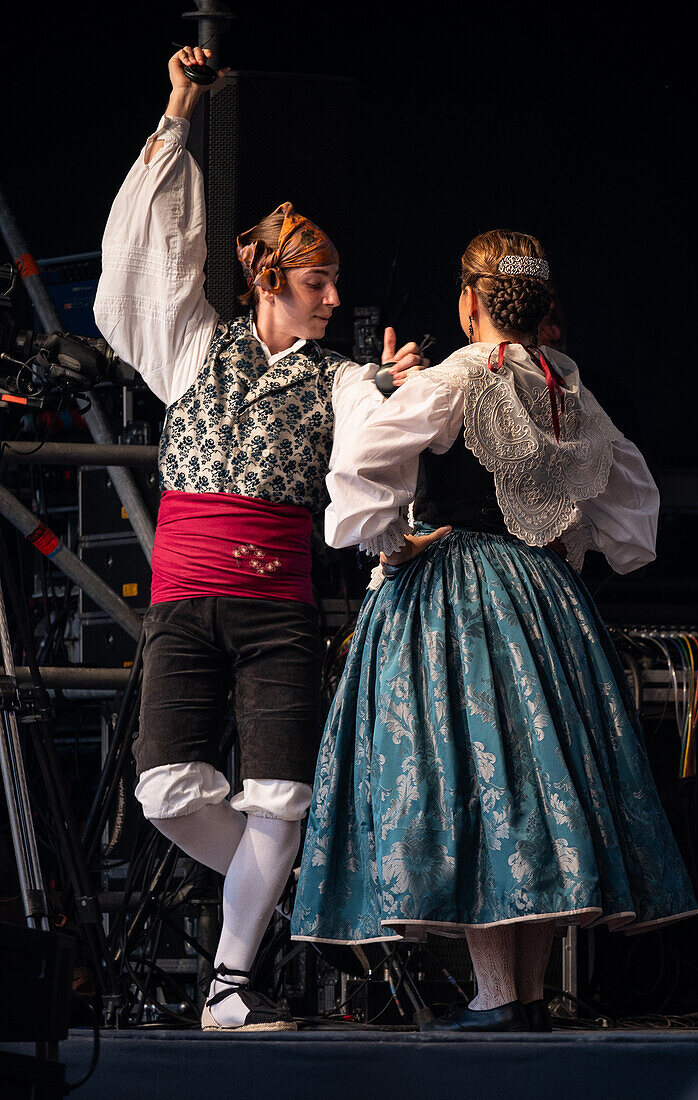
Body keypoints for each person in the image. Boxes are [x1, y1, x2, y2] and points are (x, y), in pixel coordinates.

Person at [93, 45, 429, 1033]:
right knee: (164, 791)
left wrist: (401, 396)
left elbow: (381, 465)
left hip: (279, 608)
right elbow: (149, 255)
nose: (332, 299)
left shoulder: (338, 379)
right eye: (317, 282)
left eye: (334, 284)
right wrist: (179, 106)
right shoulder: (194, 347)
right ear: (269, 282)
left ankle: (230, 981)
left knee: (281, 791)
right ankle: (309, 868)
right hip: (184, 601)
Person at [290, 228, 698, 1032]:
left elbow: (362, 460)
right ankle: (527, 994)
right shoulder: (568, 385)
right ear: (540, 305)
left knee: (474, 782)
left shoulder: (459, 375)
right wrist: (561, 547)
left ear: (469, 302)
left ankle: (496, 993)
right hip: (546, 597)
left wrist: (385, 541)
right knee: (538, 787)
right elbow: (632, 516)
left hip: (458, 592)